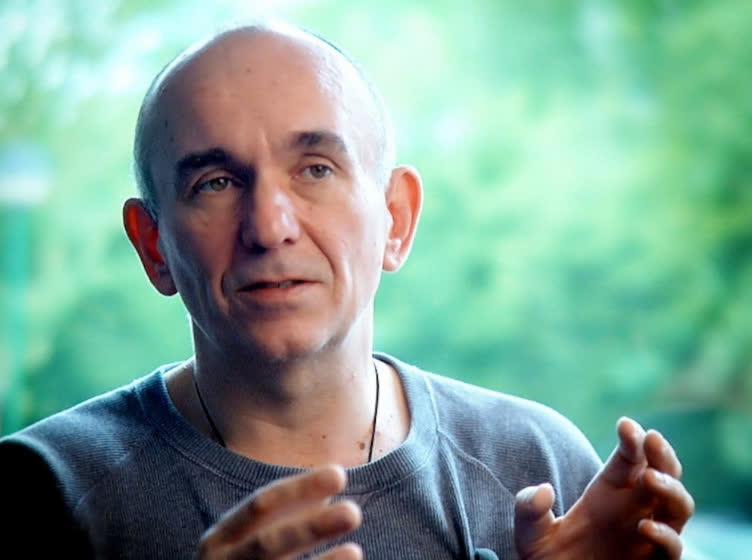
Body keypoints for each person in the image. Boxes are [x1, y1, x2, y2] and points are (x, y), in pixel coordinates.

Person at [0, 22, 694, 559]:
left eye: (316, 170)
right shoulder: (44, 491)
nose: (269, 227)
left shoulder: (540, 466)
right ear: (153, 246)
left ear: (396, 219)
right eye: (216, 183)